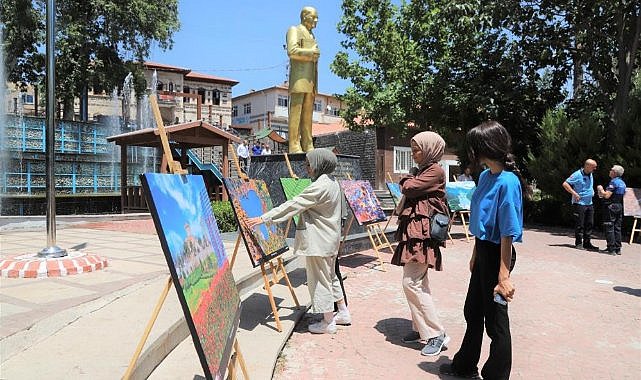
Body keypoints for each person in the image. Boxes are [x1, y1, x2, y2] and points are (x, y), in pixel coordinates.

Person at [440, 121, 525, 380]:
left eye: (474, 147)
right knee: (473, 310)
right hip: (483, 250)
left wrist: (504, 274)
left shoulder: (508, 182)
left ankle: (496, 375)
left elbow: (508, 230)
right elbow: (480, 219)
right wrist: (475, 254)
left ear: (485, 147)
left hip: (499, 253)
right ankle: (465, 364)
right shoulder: (486, 177)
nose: (471, 153)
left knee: (496, 321)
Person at [247, 149, 350, 334]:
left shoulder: (319, 186)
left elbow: (293, 205)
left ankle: (328, 322)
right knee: (330, 277)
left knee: (320, 281)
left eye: (309, 164)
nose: (306, 168)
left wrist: (264, 219)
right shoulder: (332, 182)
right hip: (330, 240)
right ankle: (342, 312)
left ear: (320, 164)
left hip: (319, 241)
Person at [391, 131, 450, 357]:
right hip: (415, 234)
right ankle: (420, 328)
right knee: (419, 283)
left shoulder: (434, 171)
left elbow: (408, 187)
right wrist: (410, 177)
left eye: (418, 150)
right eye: (413, 150)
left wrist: (407, 179)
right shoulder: (423, 170)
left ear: (430, 150)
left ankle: (436, 333)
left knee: (411, 283)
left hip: (423, 237)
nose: (414, 154)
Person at [286, 6, 320, 153]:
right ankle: (294, 144)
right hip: (299, 78)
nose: (316, 20)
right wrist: (311, 53)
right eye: (313, 17)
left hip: (311, 80)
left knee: (308, 113)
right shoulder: (294, 30)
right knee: (296, 112)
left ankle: (308, 143)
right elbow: (292, 51)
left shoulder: (312, 35)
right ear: (305, 16)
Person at [562, 159, 599, 250]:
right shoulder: (577, 174)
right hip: (579, 203)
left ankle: (587, 243)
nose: (595, 168)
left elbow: (588, 185)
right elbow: (565, 184)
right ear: (587, 166)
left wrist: (592, 191)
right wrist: (574, 193)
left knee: (590, 223)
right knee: (580, 224)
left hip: (589, 202)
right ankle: (578, 243)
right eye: (593, 167)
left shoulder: (590, 174)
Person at [597, 165, 626, 255]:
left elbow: (607, 195)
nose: (609, 171)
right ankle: (618, 248)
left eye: (611, 170)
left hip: (611, 206)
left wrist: (600, 189)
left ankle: (611, 248)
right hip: (619, 206)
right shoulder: (622, 183)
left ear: (615, 173)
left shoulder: (613, 182)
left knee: (609, 226)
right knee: (617, 227)